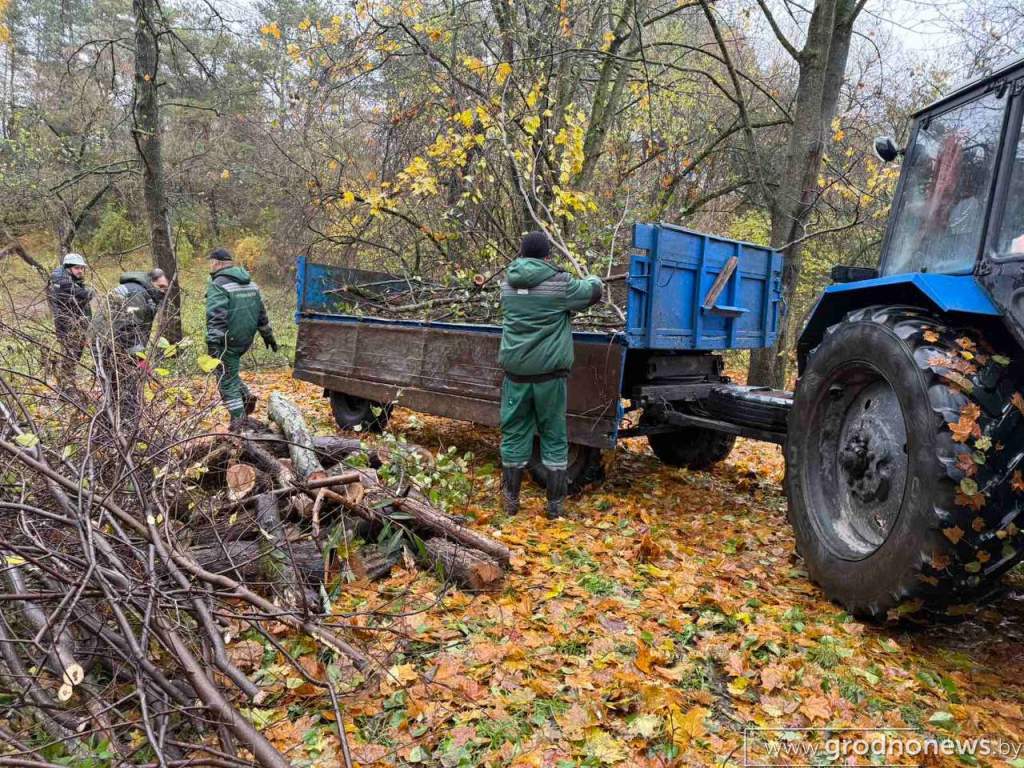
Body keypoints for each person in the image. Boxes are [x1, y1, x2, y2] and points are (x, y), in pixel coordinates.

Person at [497, 231, 603, 518]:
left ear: (521, 254)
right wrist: (594, 278)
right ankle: (555, 507)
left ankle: (511, 502)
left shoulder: (507, 284)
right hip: (549, 378)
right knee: (554, 436)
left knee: (514, 434)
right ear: (547, 256)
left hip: (516, 375)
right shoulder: (560, 284)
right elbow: (593, 292)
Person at [204, 248, 278, 427]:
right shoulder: (251, 283)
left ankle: (239, 420)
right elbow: (261, 313)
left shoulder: (218, 284)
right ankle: (245, 396)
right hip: (244, 341)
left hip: (226, 341)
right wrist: (268, 335)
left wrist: (213, 343)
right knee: (230, 373)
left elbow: (216, 315)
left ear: (217, 263)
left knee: (225, 381)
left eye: (211, 263)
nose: (210, 267)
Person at [90, 269, 170, 428]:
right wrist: (140, 358)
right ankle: (125, 428)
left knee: (116, 386)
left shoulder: (143, 293)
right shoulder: (137, 295)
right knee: (125, 386)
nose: (163, 291)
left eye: (165, 288)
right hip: (107, 343)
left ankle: (112, 425)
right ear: (151, 282)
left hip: (113, 341)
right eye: (161, 287)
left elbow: (139, 328)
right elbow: (127, 328)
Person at [47, 252, 93, 395]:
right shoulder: (62, 281)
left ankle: (66, 386)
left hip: (78, 326)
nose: (80, 271)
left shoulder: (72, 280)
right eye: (77, 268)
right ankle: (66, 389)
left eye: (82, 268)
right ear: (68, 268)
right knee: (69, 357)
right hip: (68, 327)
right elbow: (85, 295)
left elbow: (82, 298)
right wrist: (87, 293)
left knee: (74, 357)